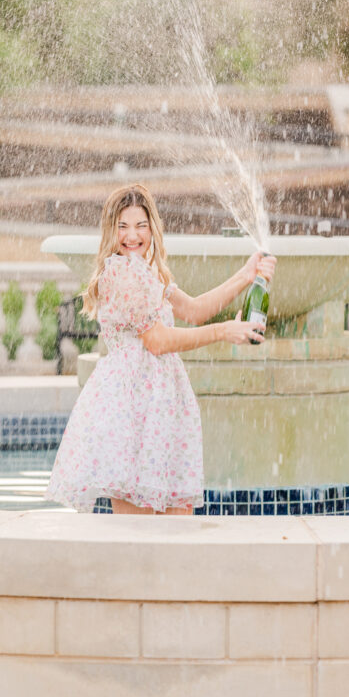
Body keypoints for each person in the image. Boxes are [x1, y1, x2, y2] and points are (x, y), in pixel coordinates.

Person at [45, 184, 276, 516]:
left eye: (140, 225)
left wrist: (247, 273)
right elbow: (156, 341)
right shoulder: (121, 276)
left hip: (162, 406)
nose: (132, 235)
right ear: (111, 231)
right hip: (130, 407)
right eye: (122, 226)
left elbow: (195, 310)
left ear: (152, 227)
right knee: (139, 532)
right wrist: (225, 331)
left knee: (176, 526)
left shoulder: (148, 273)